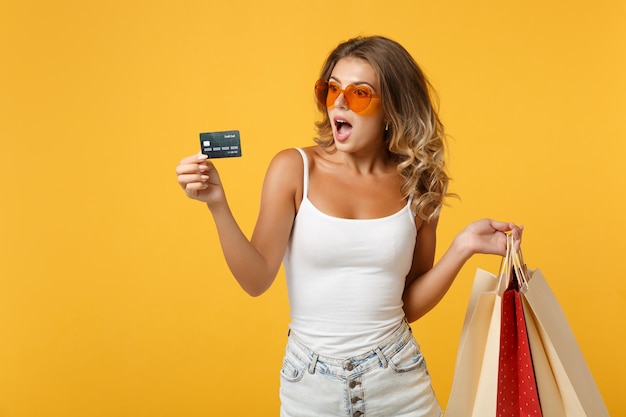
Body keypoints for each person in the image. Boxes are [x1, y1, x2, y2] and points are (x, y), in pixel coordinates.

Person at [176, 35, 522, 417]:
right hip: (310, 386)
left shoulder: (419, 184)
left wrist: (462, 247)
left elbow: (406, 303)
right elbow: (256, 280)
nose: (339, 102)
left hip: (399, 381)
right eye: (332, 89)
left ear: (392, 109)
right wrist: (218, 206)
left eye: (359, 94)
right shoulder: (294, 169)